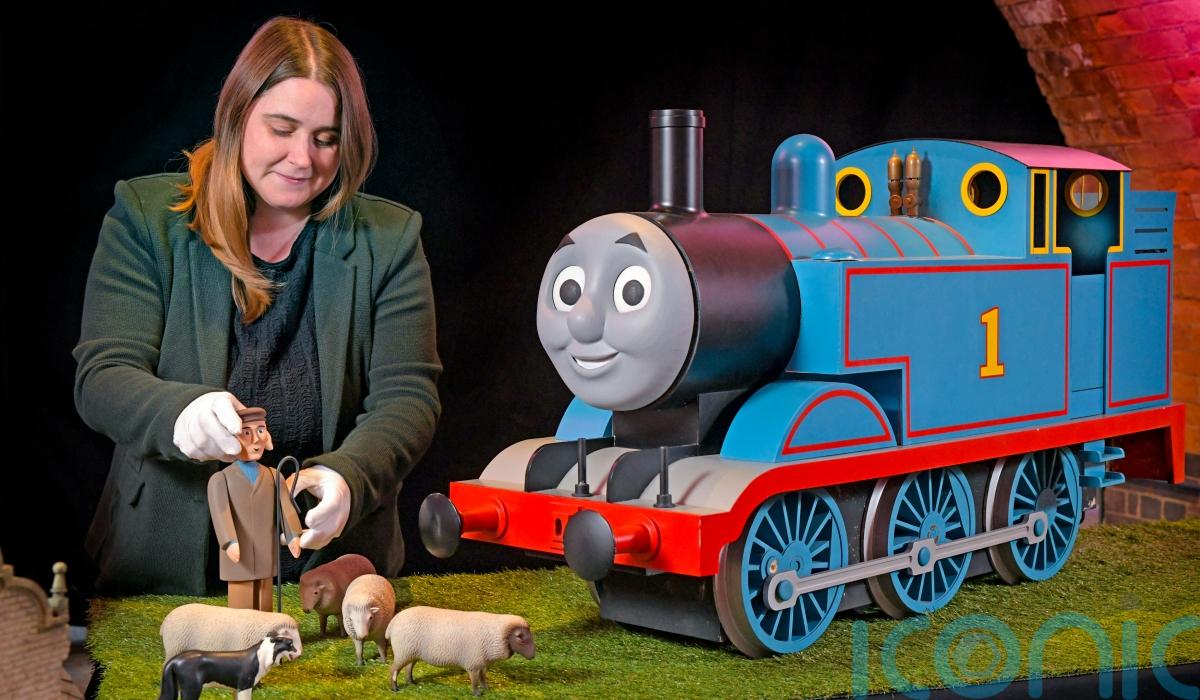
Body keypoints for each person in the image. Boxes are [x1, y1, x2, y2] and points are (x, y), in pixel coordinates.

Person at [74, 16, 441, 595]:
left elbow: (408, 397)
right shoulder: (145, 219)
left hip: (329, 565)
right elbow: (102, 376)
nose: (303, 158)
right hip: (166, 568)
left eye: (325, 138)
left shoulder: (390, 239)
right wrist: (181, 415)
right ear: (238, 116)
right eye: (282, 129)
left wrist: (349, 478)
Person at [207, 407, 303, 611]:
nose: (256, 439)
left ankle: (266, 628)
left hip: (265, 550)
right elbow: (221, 514)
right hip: (239, 551)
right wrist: (229, 542)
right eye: (246, 432)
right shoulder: (221, 479)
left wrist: (293, 535)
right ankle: (241, 631)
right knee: (242, 603)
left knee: (264, 601)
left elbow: (285, 508)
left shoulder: (273, 475)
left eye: (260, 430)